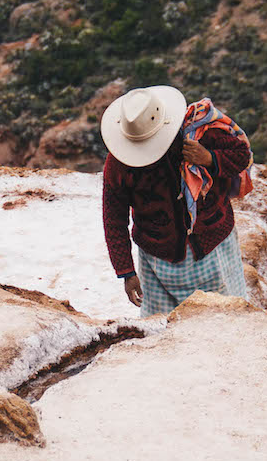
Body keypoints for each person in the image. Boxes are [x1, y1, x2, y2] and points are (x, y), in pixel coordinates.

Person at [101, 85, 252, 316]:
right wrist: (126, 272)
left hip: (211, 248)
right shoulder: (118, 164)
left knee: (223, 318)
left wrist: (209, 158)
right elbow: (114, 218)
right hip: (157, 258)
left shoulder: (198, 134)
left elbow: (242, 156)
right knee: (165, 328)